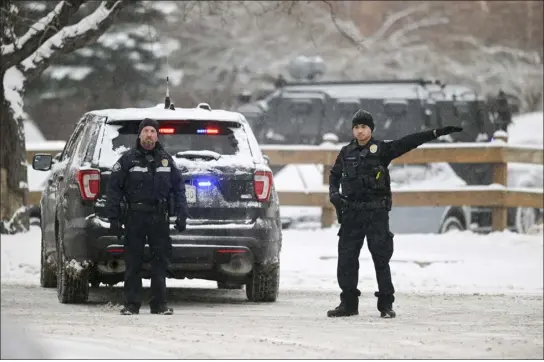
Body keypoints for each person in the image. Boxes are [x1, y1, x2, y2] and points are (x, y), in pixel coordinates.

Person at [327, 110, 462, 318]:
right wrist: (334, 194)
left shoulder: (382, 149)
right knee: (346, 259)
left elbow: (410, 141)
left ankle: (385, 304)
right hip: (352, 213)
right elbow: (334, 175)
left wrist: (436, 132)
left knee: (381, 258)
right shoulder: (346, 152)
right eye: (356, 127)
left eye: (363, 127)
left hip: (376, 213)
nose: (359, 131)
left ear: (371, 129)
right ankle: (348, 304)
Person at [105, 118, 188, 315]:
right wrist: (114, 218)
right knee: (133, 262)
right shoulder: (127, 160)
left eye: (152, 131)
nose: (149, 135)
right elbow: (113, 190)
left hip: (159, 217)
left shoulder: (167, 160)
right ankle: (131, 305)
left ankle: (159, 305)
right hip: (135, 216)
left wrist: (182, 213)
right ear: (140, 135)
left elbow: (179, 188)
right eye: (146, 131)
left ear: (157, 135)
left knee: (160, 262)